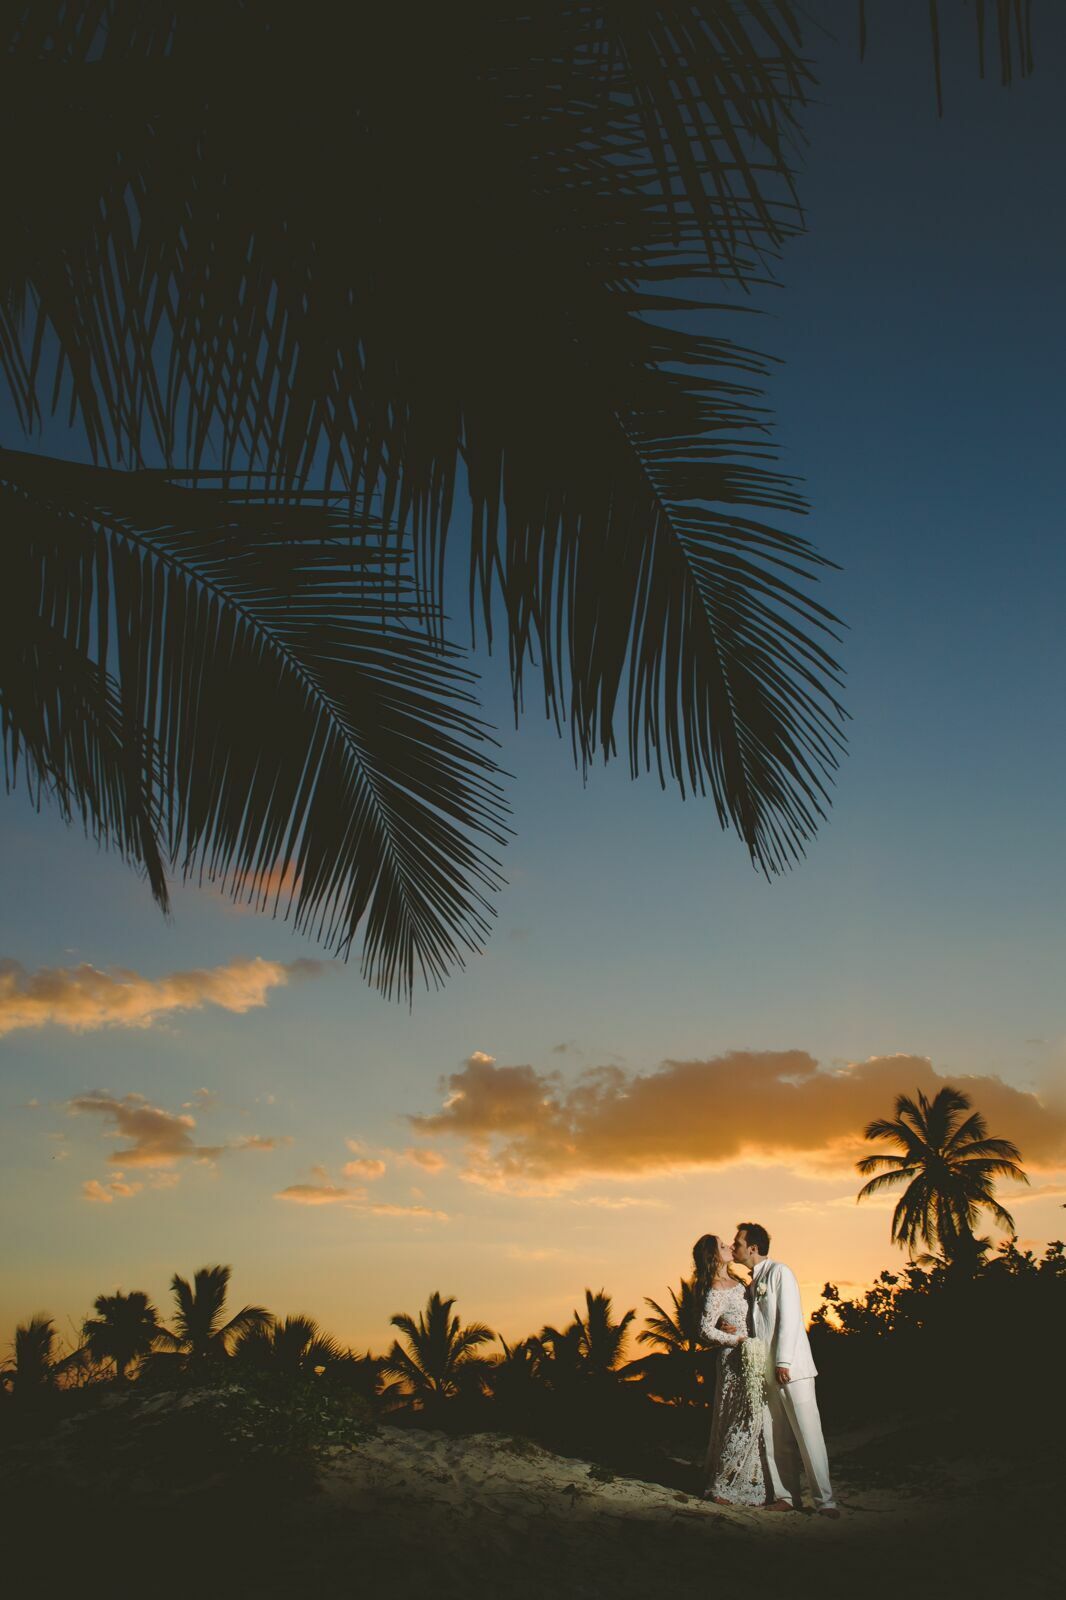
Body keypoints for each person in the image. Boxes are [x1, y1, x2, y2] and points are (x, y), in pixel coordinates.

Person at [729, 1222, 839, 1517]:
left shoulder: (780, 1272)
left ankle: (825, 1501)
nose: (733, 1247)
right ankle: (787, 1496)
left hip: (792, 1368)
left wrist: (783, 1362)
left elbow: (790, 1318)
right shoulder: (752, 1283)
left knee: (808, 1433)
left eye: (737, 1243)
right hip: (763, 1372)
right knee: (774, 1435)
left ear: (752, 1248)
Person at [695, 1232, 769, 1506]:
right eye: (722, 1245)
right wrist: (735, 1339)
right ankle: (719, 1486)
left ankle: (745, 1479)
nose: (728, 1246)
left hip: (751, 1357)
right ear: (713, 1256)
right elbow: (704, 1330)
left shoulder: (738, 1281)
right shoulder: (715, 1288)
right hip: (734, 1359)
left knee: (752, 1416)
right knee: (740, 1417)